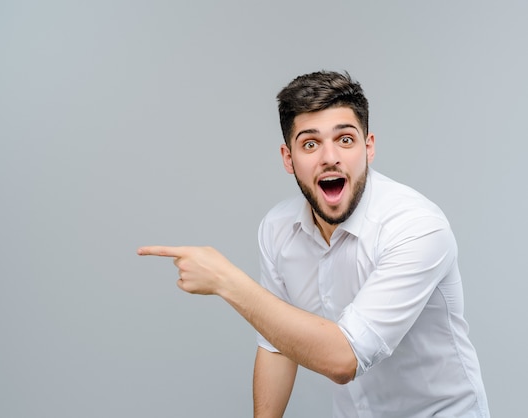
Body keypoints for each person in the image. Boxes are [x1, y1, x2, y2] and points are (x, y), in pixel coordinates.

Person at [138, 70, 489, 417]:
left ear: (368, 147)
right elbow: (277, 347)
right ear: (288, 158)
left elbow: (343, 359)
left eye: (345, 140)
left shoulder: (415, 227)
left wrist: (227, 281)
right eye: (310, 143)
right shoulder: (278, 229)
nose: (330, 157)